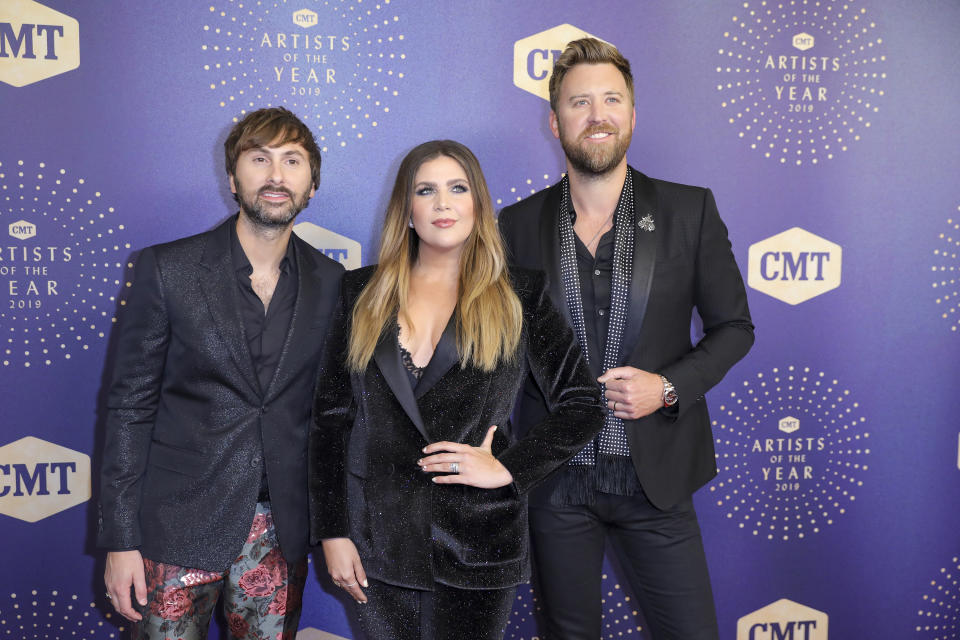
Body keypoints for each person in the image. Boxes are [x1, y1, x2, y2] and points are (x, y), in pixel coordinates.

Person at [498, 39, 755, 640]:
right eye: (579, 102)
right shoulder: (514, 227)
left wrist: (668, 386)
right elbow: (496, 352)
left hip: (657, 482)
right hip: (556, 483)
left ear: (633, 115)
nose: (597, 115)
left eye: (611, 99)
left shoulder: (689, 212)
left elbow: (734, 328)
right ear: (554, 120)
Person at [309, 140, 604, 640]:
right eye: (426, 190)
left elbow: (583, 403)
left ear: (478, 205)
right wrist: (334, 531)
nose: (443, 203)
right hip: (378, 541)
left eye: (458, 188)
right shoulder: (358, 293)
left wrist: (508, 469)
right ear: (407, 210)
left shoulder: (520, 294)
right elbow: (331, 421)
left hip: (479, 541)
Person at [98, 106, 345, 639]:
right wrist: (121, 540)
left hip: (279, 534)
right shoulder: (168, 270)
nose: (276, 176)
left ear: (311, 186)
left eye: (293, 161)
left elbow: (334, 417)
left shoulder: (333, 282)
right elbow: (128, 409)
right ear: (234, 178)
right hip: (174, 528)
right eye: (260, 159)